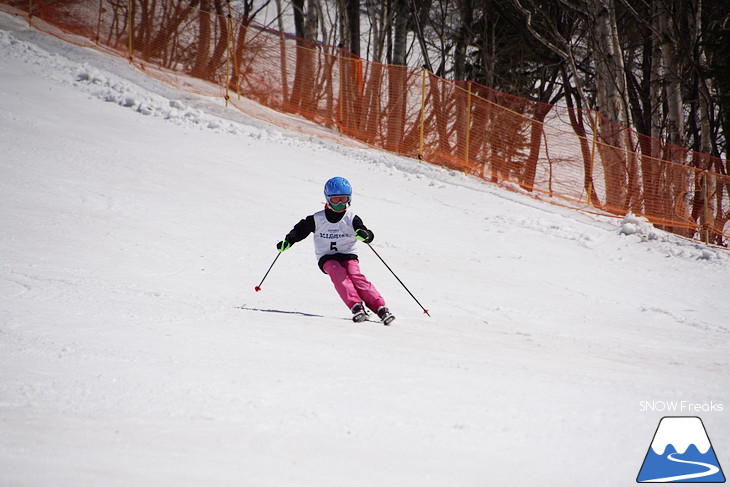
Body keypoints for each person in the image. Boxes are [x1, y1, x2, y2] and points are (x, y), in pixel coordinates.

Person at [276, 177, 395, 325]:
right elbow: (300, 230)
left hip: (348, 255)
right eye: (336, 199)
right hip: (327, 257)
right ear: (328, 199)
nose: (340, 204)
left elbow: (366, 233)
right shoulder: (317, 219)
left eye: (344, 199)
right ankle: (356, 305)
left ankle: (380, 307)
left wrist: (365, 235)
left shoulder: (351, 218)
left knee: (355, 276)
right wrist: (288, 241)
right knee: (337, 272)